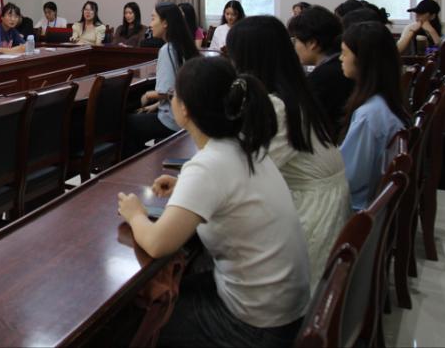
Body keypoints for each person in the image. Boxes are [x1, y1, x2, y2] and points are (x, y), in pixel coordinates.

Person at [117, 56, 309, 347]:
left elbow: (156, 243)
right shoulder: (244, 145)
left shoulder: (209, 165)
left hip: (255, 326)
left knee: (137, 320)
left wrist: (134, 214)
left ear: (185, 109)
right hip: (283, 307)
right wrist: (185, 187)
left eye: (175, 94)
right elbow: (228, 193)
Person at [227, 16, 350, 288]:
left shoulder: (277, 107)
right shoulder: (294, 91)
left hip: (311, 216)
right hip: (318, 200)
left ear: (248, 59)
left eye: (233, 56)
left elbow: (246, 174)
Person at [339, 22, 410, 211]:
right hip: (369, 203)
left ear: (363, 60)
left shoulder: (369, 115)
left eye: (344, 53)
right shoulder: (385, 102)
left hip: (356, 207)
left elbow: (349, 177)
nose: (340, 58)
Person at [124, 2, 199, 156]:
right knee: (141, 118)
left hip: (172, 121)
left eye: (153, 18)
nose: (150, 24)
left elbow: (167, 91)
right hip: (186, 117)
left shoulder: (167, 50)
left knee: (127, 124)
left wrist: (148, 95)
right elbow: (177, 90)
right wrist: (156, 105)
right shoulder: (184, 45)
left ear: (165, 23)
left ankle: (134, 164)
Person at [288, 6, 355, 138]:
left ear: (312, 43)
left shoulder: (323, 78)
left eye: (296, 40)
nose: (295, 46)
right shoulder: (340, 66)